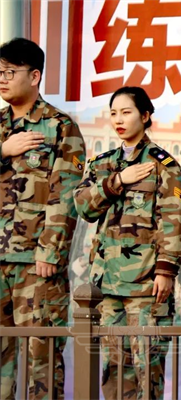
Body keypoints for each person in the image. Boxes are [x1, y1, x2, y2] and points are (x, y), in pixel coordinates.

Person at [74, 86, 181, 400]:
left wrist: (165, 271)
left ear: (145, 116)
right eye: (113, 113)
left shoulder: (163, 164)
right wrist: (118, 181)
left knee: (146, 368)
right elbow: (83, 207)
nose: (118, 120)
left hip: (146, 285)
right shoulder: (102, 164)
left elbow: (175, 219)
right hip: (108, 284)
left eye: (126, 112)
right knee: (114, 367)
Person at [0, 37, 85, 400]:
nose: (2, 79)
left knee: (42, 357)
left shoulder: (59, 126)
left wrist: (50, 252)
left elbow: (65, 195)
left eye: (9, 72)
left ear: (34, 76)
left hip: (35, 263)